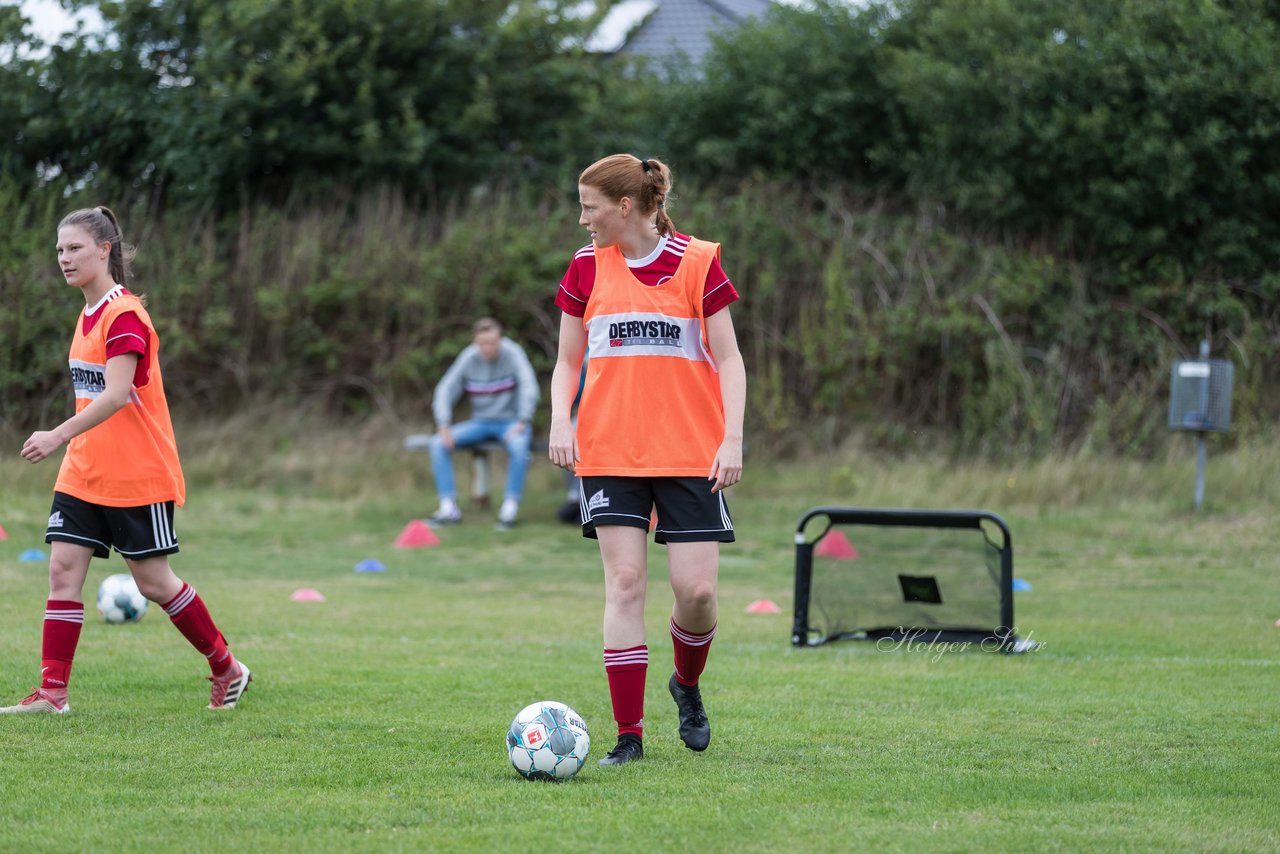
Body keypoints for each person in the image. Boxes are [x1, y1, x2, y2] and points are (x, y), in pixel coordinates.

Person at [2, 206, 250, 715]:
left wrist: (55, 435)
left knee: (154, 583)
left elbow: (115, 395)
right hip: (83, 470)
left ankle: (227, 666)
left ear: (104, 250)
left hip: (136, 473)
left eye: (73, 248)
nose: (63, 258)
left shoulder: (126, 315)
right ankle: (53, 693)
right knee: (62, 572)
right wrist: (69, 445)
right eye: (59, 250)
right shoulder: (87, 314)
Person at [548, 154, 745, 765]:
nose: (583, 219)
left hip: (690, 451)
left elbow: (731, 360)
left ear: (626, 207)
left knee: (698, 592)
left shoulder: (699, 261)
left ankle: (685, 682)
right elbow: (566, 362)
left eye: (590, 206)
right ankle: (628, 737)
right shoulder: (585, 267)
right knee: (626, 583)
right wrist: (560, 420)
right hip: (610, 451)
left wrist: (732, 439)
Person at [427, 317, 540, 530]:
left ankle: (510, 507)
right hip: (481, 422)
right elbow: (445, 389)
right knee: (437, 444)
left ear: (500, 339)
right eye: (483, 343)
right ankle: (448, 507)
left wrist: (523, 419)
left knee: (518, 446)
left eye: (493, 342)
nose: (488, 347)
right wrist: (443, 424)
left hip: (512, 423)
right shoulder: (469, 357)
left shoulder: (513, 353)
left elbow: (529, 386)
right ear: (475, 342)